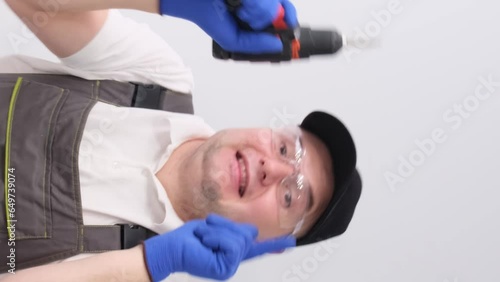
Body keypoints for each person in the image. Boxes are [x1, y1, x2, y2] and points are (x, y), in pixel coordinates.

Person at [0, 0, 362, 281]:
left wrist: (146, 264)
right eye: (286, 148)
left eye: (290, 194)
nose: (273, 166)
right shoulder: (157, 78)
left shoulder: (126, 270)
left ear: (268, 245)